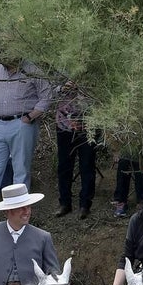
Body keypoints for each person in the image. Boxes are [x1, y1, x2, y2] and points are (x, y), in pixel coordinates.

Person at [0, 59, 51, 224]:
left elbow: (47, 96)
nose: (3, 56)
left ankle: (18, 209)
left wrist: (29, 117)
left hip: (21, 123)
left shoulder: (32, 70)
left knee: (20, 167)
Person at [54, 81, 96, 219]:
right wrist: (61, 88)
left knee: (87, 165)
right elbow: (48, 91)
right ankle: (65, 203)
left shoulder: (93, 71)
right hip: (63, 125)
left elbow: (99, 93)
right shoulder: (58, 69)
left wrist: (82, 87)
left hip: (87, 125)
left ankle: (85, 204)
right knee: (64, 166)